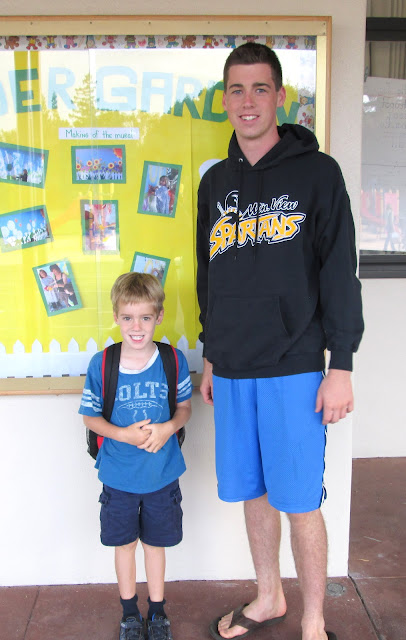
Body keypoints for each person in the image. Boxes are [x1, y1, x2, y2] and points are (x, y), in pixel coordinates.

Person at [196, 43, 364, 640]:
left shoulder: (318, 174)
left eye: (260, 88)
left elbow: (339, 271)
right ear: (224, 100)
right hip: (232, 366)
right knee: (254, 493)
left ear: (280, 97)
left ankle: (314, 619)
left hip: (295, 365)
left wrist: (341, 364)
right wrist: (211, 353)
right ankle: (269, 597)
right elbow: (208, 274)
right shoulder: (215, 182)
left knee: (299, 500)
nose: (248, 101)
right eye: (237, 90)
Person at [79, 272, 192, 640]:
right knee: (124, 544)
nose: (137, 327)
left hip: (162, 474)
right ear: (116, 317)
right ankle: (130, 614)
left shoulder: (172, 359)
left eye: (145, 317)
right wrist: (123, 434)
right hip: (118, 475)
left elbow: (185, 408)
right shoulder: (102, 363)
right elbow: (90, 417)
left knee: (155, 545)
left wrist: (168, 428)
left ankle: (157, 612)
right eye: (128, 318)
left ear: (159, 316)